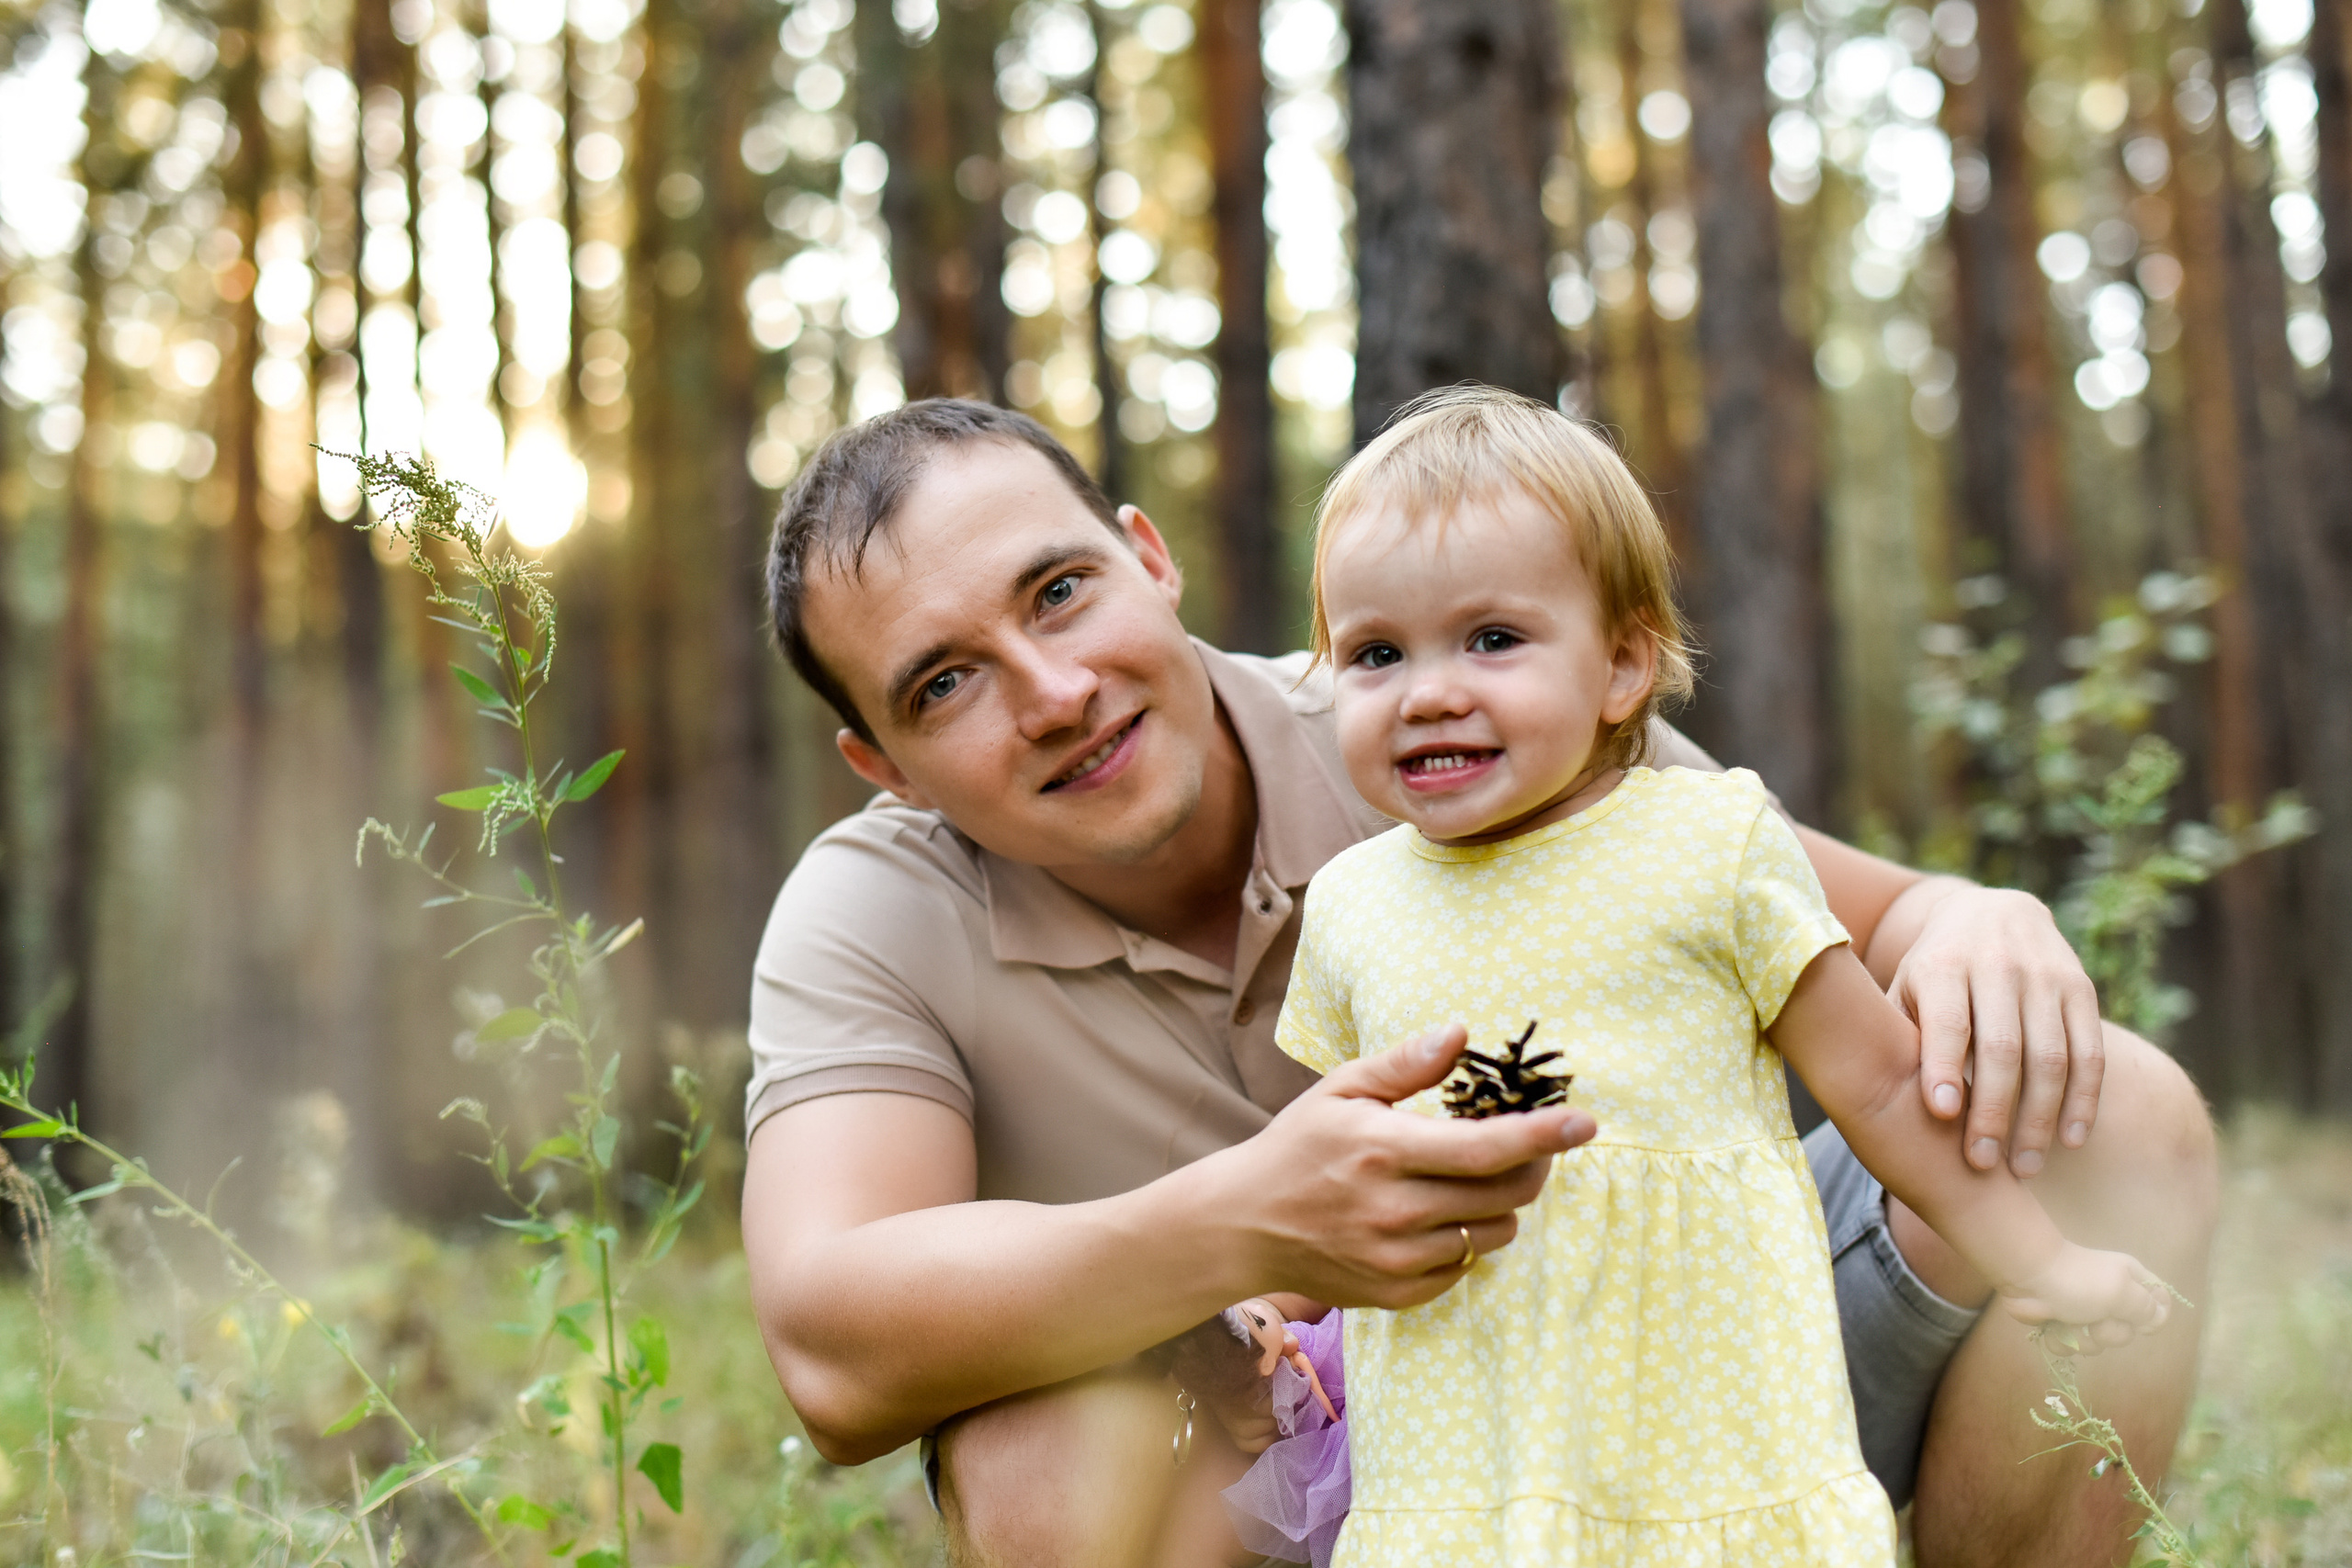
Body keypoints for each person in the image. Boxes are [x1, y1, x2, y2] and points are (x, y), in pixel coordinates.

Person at [739, 398, 2218, 1568]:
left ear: (1148, 556)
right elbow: (829, 1340)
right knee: (1029, 1447)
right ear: (882, 761)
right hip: (1311, 1464)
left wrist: (1974, 911)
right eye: (944, 681)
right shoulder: (875, 912)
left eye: (1060, 591)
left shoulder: (1436, 707)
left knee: (2111, 1116)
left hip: (1685, 1354)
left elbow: (1844, 916)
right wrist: (1242, 1228)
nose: (1055, 693)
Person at [1226, 386, 2171, 1565]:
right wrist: (1275, 1299)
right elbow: (1327, 1158)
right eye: (1376, 653)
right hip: (1465, 1442)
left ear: (1622, 664)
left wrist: (2039, 1261)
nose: (1429, 692)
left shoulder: (1711, 845)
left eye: (1492, 639)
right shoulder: (1354, 904)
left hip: (1708, 1419)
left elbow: (1880, 1087)